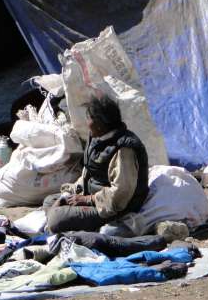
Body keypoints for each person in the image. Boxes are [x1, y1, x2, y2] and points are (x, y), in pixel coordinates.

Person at [43, 95, 149, 234]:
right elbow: (89, 172)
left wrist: (88, 199)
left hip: (111, 207)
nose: (86, 122)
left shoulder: (124, 149)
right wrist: (72, 191)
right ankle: (77, 224)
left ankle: (86, 226)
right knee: (49, 201)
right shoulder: (97, 137)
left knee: (56, 219)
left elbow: (120, 194)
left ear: (99, 123)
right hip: (91, 196)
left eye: (89, 118)